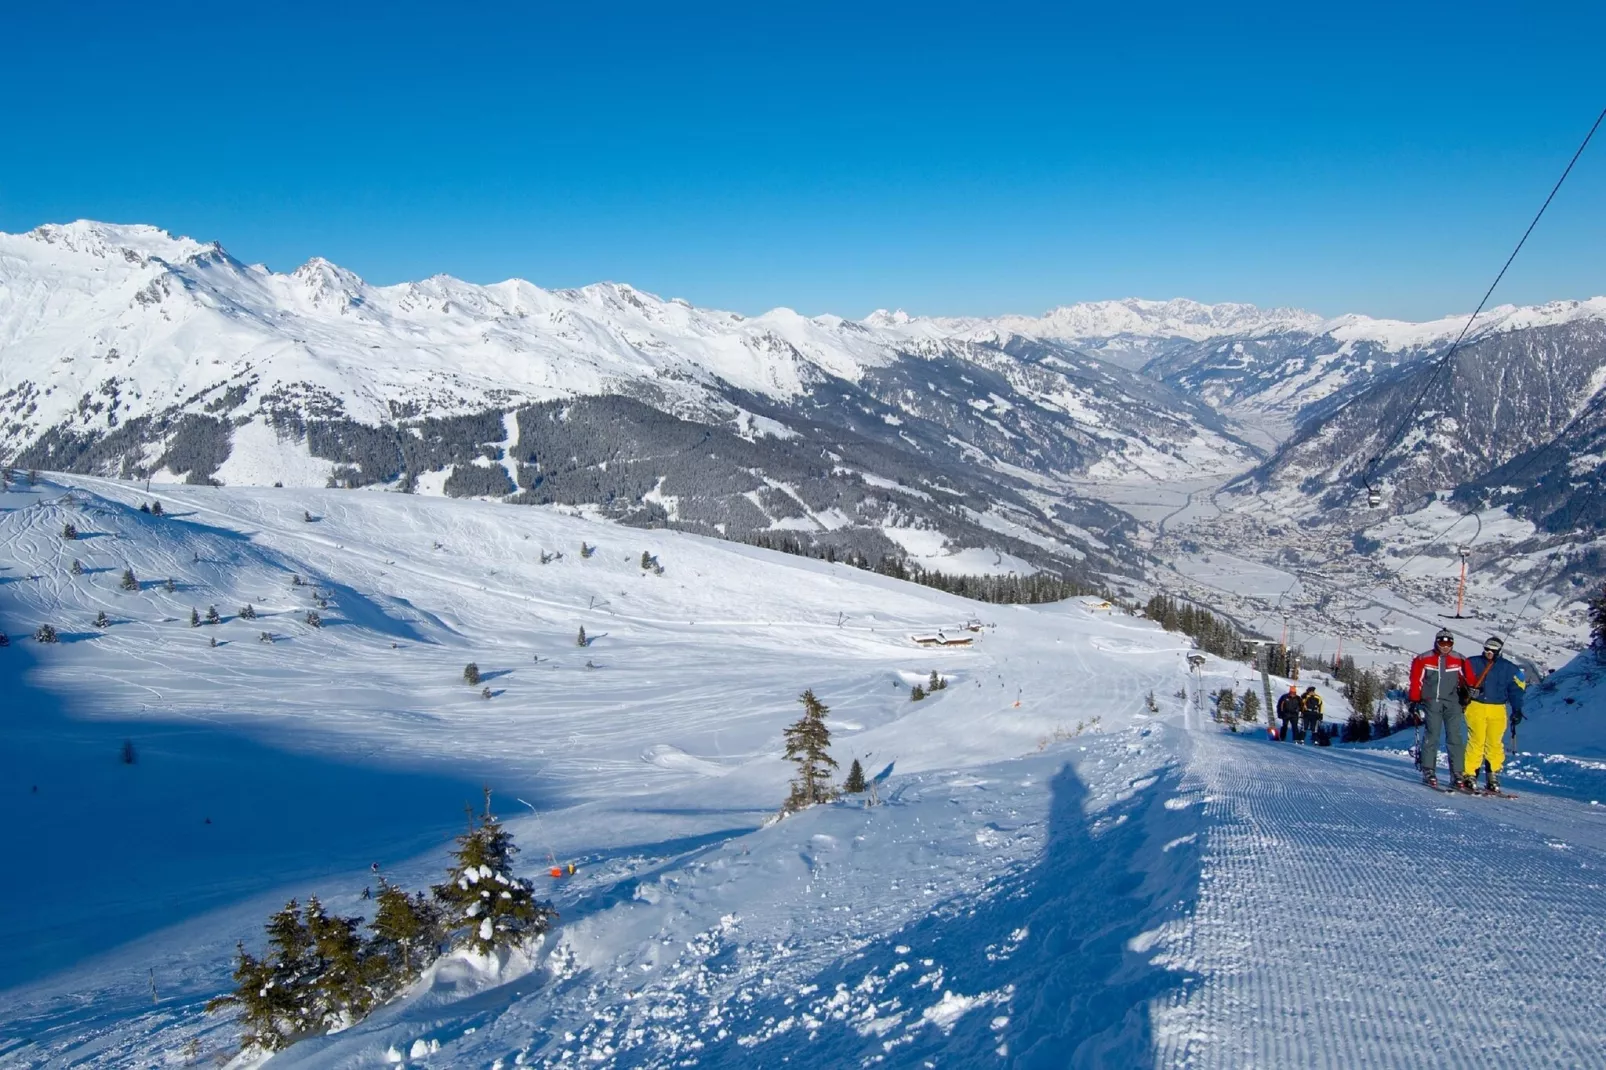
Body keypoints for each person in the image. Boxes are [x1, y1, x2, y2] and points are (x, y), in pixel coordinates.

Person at [1460, 636, 1526, 794]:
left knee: (1494, 743)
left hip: (1497, 708)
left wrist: (1517, 710)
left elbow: (1517, 690)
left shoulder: (1510, 668)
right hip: (1476, 706)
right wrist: (1465, 693)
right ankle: (1470, 774)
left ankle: (1493, 775)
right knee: (1476, 741)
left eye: (1492, 650)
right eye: (1486, 649)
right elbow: (1460, 681)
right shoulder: (1472, 662)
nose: (1488, 652)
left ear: (1499, 651)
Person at [1407, 629, 1471, 789]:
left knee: (1455, 737)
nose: (1445, 647)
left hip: (1453, 702)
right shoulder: (1423, 659)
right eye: (1442, 643)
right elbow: (1416, 680)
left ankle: (1457, 773)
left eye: (1448, 643)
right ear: (1436, 642)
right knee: (1432, 735)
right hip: (1432, 701)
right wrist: (1414, 700)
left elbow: (1469, 679)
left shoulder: (1459, 659)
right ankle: (1428, 770)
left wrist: (1469, 693)